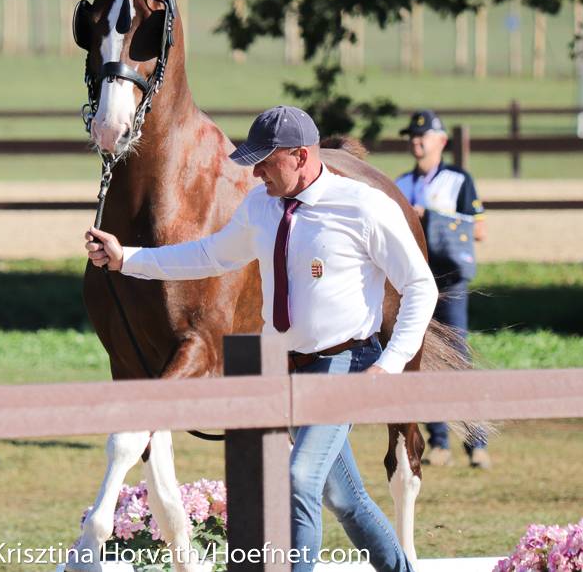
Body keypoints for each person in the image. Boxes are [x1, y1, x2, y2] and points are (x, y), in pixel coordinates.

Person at [85, 106, 436, 572]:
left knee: (300, 479)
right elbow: (209, 255)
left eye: (266, 162)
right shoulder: (261, 206)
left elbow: (421, 287)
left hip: (343, 363)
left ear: (301, 156)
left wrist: (389, 364)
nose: (256, 173)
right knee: (343, 500)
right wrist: (127, 259)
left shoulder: (364, 207)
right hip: (287, 369)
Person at [394, 109, 490, 469]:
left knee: (458, 357)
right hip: (415, 282)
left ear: (442, 141)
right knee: (422, 359)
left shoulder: (458, 181)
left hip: (450, 280)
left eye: (423, 135)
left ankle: (476, 440)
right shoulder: (400, 183)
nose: (416, 141)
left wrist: (431, 218)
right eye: (412, 136)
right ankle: (438, 441)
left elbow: (478, 229)